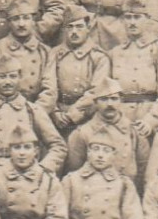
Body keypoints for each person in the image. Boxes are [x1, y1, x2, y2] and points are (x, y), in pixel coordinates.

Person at [0, 55, 66, 174]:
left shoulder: (32, 110)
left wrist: (42, 169)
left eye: (12, 76)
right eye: (2, 77)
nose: (7, 82)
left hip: (23, 175)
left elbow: (58, 146)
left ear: (20, 78)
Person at [108, 0, 158, 143]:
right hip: (119, 122)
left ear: (147, 19)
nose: (132, 22)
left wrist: (151, 121)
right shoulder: (114, 53)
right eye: (128, 17)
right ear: (122, 21)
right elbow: (106, 93)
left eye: (137, 17)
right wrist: (116, 120)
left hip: (149, 121)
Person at [64, 77, 149, 181]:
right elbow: (75, 172)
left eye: (114, 99)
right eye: (104, 99)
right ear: (95, 103)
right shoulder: (81, 133)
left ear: (121, 101)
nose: (109, 104)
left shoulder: (134, 132)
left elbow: (143, 169)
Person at [48, 7, 111, 136]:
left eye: (79, 27)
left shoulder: (98, 56)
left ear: (88, 28)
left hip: (87, 115)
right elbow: (49, 86)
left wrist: (73, 114)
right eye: (70, 27)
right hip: (57, 116)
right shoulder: (54, 53)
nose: (74, 32)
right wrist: (54, 112)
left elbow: (96, 91)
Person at [0, 0, 57, 111]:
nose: (21, 24)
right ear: (9, 23)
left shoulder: (45, 52)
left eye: (26, 18)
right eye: (16, 19)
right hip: (4, 111)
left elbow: (50, 90)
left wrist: (35, 112)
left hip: (35, 111)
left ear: (33, 21)